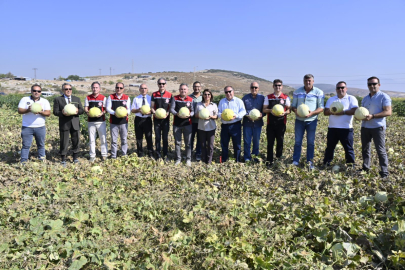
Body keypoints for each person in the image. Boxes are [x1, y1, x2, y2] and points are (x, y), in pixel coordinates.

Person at [360, 76, 391, 178]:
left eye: (374, 84)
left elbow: (388, 111)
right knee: (365, 149)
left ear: (379, 85)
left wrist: (373, 116)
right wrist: (358, 117)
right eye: (370, 84)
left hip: (378, 127)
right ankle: (365, 169)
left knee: (380, 150)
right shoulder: (365, 98)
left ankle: (384, 172)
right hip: (365, 127)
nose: (372, 86)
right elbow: (362, 112)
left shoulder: (384, 97)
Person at [291, 74, 324, 169]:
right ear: (303, 81)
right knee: (297, 141)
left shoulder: (319, 92)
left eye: (309, 80)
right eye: (306, 80)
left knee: (310, 142)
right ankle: (295, 161)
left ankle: (309, 161)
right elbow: (293, 105)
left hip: (311, 120)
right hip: (299, 121)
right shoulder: (297, 92)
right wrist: (296, 111)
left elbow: (321, 107)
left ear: (313, 81)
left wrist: (312, 113)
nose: (308, 82)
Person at [323, 81, 358, 166]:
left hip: (346, 128)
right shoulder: (331, 99)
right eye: (338, 88)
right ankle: (326, 163)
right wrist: (331, 111)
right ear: (336, 89)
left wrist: (343, 112)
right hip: (332, 128)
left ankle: (350, 165)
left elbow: (355, 110)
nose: (340, 89)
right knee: (330, 147)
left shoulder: (351, 98)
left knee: (348, 148)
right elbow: (325, 112)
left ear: (346, 89)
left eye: (342, 87)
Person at [18, 84, 51, 163]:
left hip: (40, 127)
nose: (36, 92)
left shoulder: (44, 101)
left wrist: (41, 112)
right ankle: (23, 161)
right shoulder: (25, 99)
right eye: (34, 91)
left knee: (41, 145)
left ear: (41, 92)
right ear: (31, 91)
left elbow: (48, 113)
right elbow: (20, 111)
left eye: (38, 91)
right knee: (26, 145)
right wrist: (28, 110)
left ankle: (42, 159)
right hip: (27, 127)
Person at [53, 83, 84, 165]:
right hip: (64, 123)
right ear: (63, 90)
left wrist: (78, 111)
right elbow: (55, 112)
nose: (68, 90)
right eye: (66, 89)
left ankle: (75, 158)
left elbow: (82, 110)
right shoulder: (58, 99)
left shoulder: (76, 99)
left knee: (76, 141)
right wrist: (62, 113)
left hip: (75, 123)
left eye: (70, 89)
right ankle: (63, 159)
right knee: (64, 142)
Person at [262, 79, 291, 166]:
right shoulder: (268, 97)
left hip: (281, 123)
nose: (278, 87)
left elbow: (289, 110)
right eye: (276, 85)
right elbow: (264, 109)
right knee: (270, 142)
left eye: (279, 85)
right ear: (273, 86)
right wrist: (271, 110)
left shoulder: (286, 97)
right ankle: (269, 160)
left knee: (280, 142)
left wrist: (285, 112)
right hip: (270, 124)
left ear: (281, 86)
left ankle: (278, 159)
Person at [218, 86, 246, 162]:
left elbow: (243, 111)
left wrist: (236, 116)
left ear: (233, 91)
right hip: (225, 126)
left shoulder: (239, 101)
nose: (228, 93)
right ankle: (224, 160)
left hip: (235, 125)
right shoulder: (222, 101)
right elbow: (218, 112)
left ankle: (237, 160)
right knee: (224, 144)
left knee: (237, 144)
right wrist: (221, 116)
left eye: (230, 91)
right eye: (226, 92)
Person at [170, 83, 194, 166]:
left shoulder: (190, 99)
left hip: (188, 124)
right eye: (181, 89)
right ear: (179, 90)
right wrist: (177, 114)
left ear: (187, 90)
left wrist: (190, 115)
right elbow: (171, 109)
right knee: (178, 143)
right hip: (177, 124)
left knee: (188, 143)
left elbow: (193, 111)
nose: (183, 90)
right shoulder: (175, 98)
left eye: (185, 89)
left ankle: (188, 159)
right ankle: (178, 159)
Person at [84, 82, 108, 162]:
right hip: (91, 122)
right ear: (91, 88)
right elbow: (86, 108)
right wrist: (88, 113)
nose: (95, 89)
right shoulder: (88, 97)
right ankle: (92, 155)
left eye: (96, 87)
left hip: (101, 121)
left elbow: (105, 109)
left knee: (103, 138)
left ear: (99, 89)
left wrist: (102, 113)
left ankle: (104, 154)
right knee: (91, 139)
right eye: (93, 87)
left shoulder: (103, 98)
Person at [106, 82, 131, 159]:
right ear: (115, 88)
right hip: (114, 122)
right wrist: (114, 113)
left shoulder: (127, 98)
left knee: (124, 139)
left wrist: (126, 113)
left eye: (120, 88)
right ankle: (113, 155)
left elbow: (129, 109)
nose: (119, 89)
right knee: (114, 140)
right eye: (117, 87)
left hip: (124, 122)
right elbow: (108, 108)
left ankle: (124, 154)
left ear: (123, 89)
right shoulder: (111, 97)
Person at [242, 82, 264, 162]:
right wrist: (248, 115)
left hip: (258, 124)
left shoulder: (262, 98)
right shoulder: (245, 98)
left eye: (255, 87)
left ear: (258, 88)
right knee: (247, 141)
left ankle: (255, 157)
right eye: (252, 87)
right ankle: (247, 157)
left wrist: (262, 114)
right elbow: (242, 110)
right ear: (250, 88)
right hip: (247, 123)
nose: (254, 89)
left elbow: (264, 110)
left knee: (256, 141)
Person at [151, 78, 172, 160]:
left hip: (166, 119)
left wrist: (167, 113)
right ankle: (158, 154)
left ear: (165, 85)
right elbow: (152, 107)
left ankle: (165, 154)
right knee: (158, 137)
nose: (161, 85)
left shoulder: (169, 95)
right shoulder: (154, 94)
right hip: (156, 119)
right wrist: (154, 113)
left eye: (163, 84)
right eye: (160, 84)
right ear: (158, 84)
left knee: (165, 138)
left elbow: (170, 107)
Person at [195, 89, 218, 164]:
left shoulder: (214, 105)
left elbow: (216, 116)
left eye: (208, 94)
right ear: (203, 95)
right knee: (203, 145)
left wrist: (211, 116)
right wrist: (201, 116)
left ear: (211, 95)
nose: (207, 96)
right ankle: (204, 159)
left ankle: (209, 161)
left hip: (211, 127)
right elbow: (196, 115)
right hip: (201, 127)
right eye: (205, 94)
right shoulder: (199, 104)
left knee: (210, 145)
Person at [131, 84, 153, 158]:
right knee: (139, 137)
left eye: (145, 88)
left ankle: (150, 152)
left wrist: (150, 112)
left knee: (149, 136)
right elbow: (132, 110)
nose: (143, 90)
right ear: (139, 90)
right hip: (138, 119)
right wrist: (138, 110)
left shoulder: (151, 98)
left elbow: (153, 109)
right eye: (142, 88)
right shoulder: (136, 99)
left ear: (147, 89)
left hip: (147, 119)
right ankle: (140, 153)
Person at [189, 81, 203, 161]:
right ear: (193, 87)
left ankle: (198, 153)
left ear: (200, 87)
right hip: (191, 121)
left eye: (198, 86)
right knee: (190, 138)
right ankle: (189, 153)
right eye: (195, 86)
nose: (196, 88)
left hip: (201, 122)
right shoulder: (189, 97)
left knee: (200, 139)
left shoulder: (203, 97)